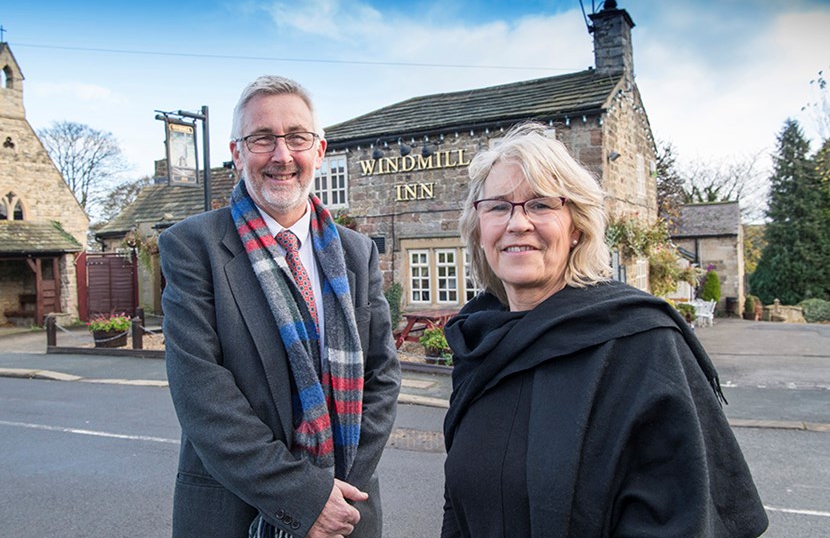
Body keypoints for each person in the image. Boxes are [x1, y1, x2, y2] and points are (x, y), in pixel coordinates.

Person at [441, 122, 768, 537]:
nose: (517, 223)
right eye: (498, 206)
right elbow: (460, 504)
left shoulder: (643, 344)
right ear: (479, 227)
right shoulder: (477, 344)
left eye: (540, 205)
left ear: (576, 227)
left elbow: (684, 520)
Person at [159, 75, 401, 538]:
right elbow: (202, 394)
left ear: (320, 149)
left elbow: (382, 375)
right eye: (262, 138)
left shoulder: (357, 251)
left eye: (296, 137)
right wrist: (305, 497)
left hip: (347, 511)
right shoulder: (193, 247)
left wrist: (335, 491)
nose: (282, 155)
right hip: (234, 513)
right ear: (236, 153)